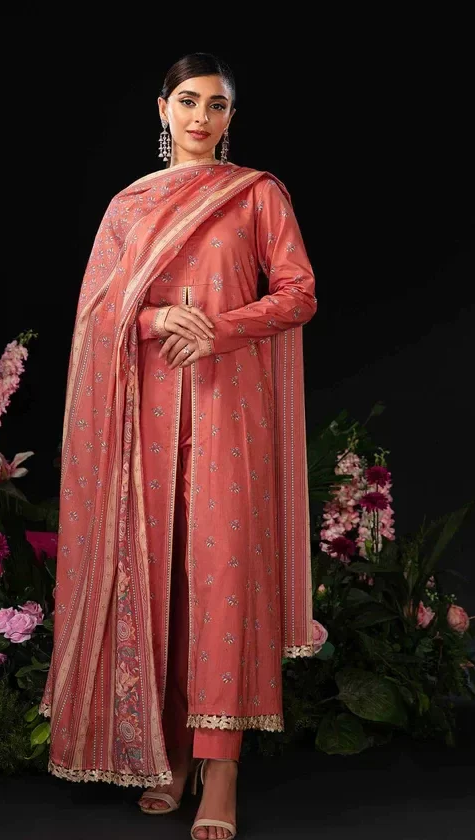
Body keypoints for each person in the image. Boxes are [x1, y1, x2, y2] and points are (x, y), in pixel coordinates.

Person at [41, 51, 318, 840]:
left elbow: (298, 292)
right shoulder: (129, 204)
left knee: (222, 574)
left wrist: (221, 329)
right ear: (162, 109)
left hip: (230, 407)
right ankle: (168, 757)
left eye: (217, 104)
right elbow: (97, 314)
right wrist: (159, 318)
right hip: (145, 415)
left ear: (232, 117)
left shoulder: (255, 194)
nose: (202, 117)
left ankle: (220, 768)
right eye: (189, 101)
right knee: (157, 573)